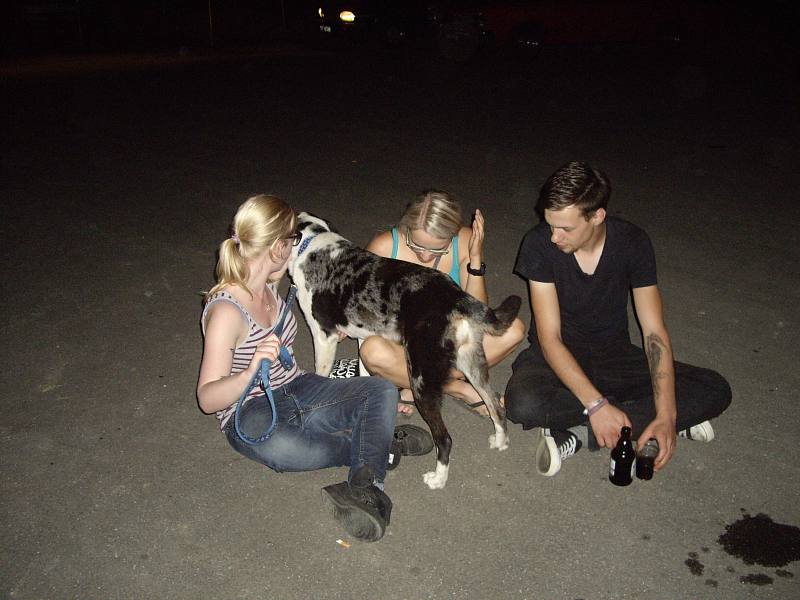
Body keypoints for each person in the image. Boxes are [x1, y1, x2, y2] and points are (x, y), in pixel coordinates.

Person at [196, 195, 433, 542]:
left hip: (298, 387)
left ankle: (366, 480)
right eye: (294, 239)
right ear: (278, 247)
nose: (298, 246)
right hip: (250, 410)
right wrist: (249, 372)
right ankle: (378, 446)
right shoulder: (227, 312)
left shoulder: (270, 282)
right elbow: (207, 399)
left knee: (381, 390)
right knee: (284, 447)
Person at [505, 162, 731, 476]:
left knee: (714, 388)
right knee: (523, 403)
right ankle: (630, 418)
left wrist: (667, 416)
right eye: (550, 224)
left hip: (614, 355)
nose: (554, 237)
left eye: (566, 228)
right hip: (556, 357)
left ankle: (582, 431)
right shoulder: (539, 243)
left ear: (597, 216)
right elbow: (550, 339)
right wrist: (597, 405)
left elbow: (654, 333)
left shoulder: (633, 242)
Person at [361, 189, 526, 416]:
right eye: (417, 246)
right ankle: (457, 388)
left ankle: (415, 385)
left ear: (453, 236)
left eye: (437, 248)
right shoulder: (384, 248)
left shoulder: (465, 240)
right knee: (373, 351)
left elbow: (477, 310)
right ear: (406, 228)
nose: (425, 256)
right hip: (404, 346)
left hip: (450, 339)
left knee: (513, 329)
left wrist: (475, 259)